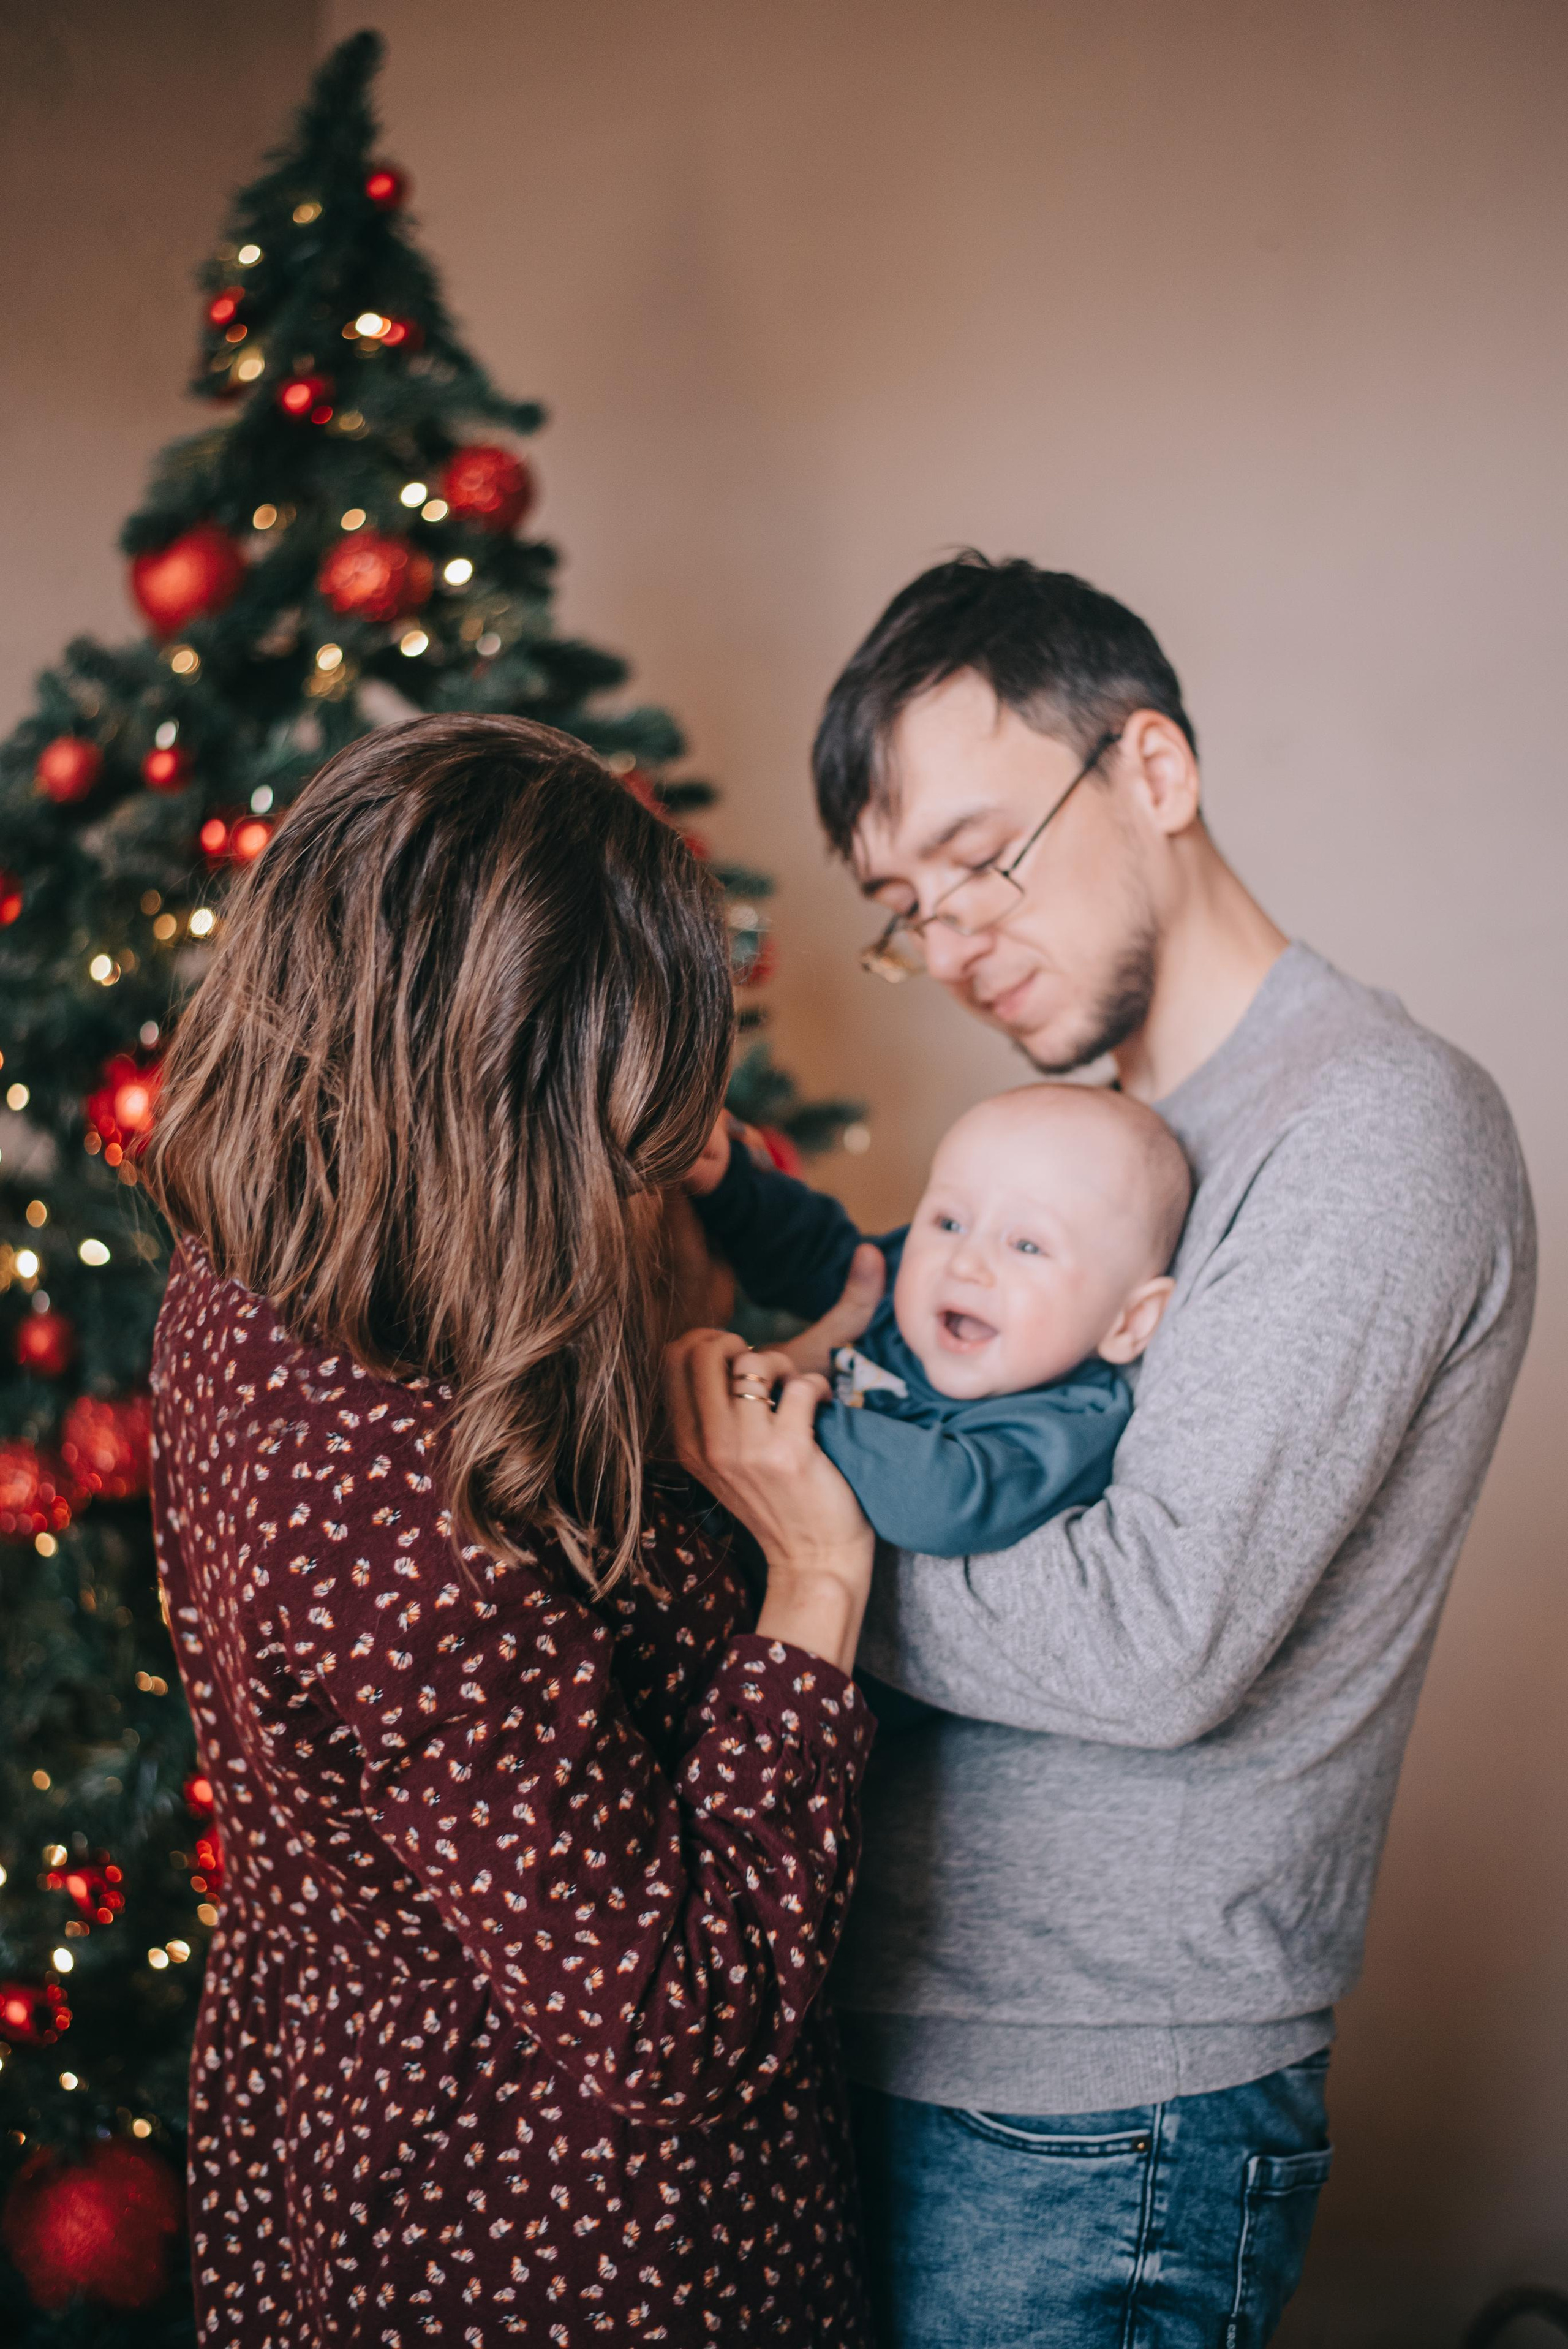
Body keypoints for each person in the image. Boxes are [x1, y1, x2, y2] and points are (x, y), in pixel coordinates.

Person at [679, 557, 1536, 2348]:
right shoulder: (1096, 1153)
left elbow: (1152, 1640)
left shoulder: (1374, 1127)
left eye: (982, 857)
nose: (954, 940)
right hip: (922, 2034)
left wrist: (800, 1557)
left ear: (1154, 772)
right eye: (905, 907)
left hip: (1094, 2115)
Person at [141, 714, 883, 2347]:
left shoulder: (253, 1274)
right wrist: (815, 1586)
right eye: (652, 1107)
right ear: (495, 1101)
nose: (703, 1151)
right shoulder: (415, 1532)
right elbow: (678, 2015)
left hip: (337, 2115)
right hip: (548, 2234)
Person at [687, 1083, 1190, 1556]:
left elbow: (940, 1503)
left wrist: (773, 1407)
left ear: (1129, 1323)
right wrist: (733, 1184)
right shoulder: (905, 1293)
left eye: (1027, 1245)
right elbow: (816, 1254)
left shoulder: (1064, 1427)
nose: (965, 1262)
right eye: (950, 1223)